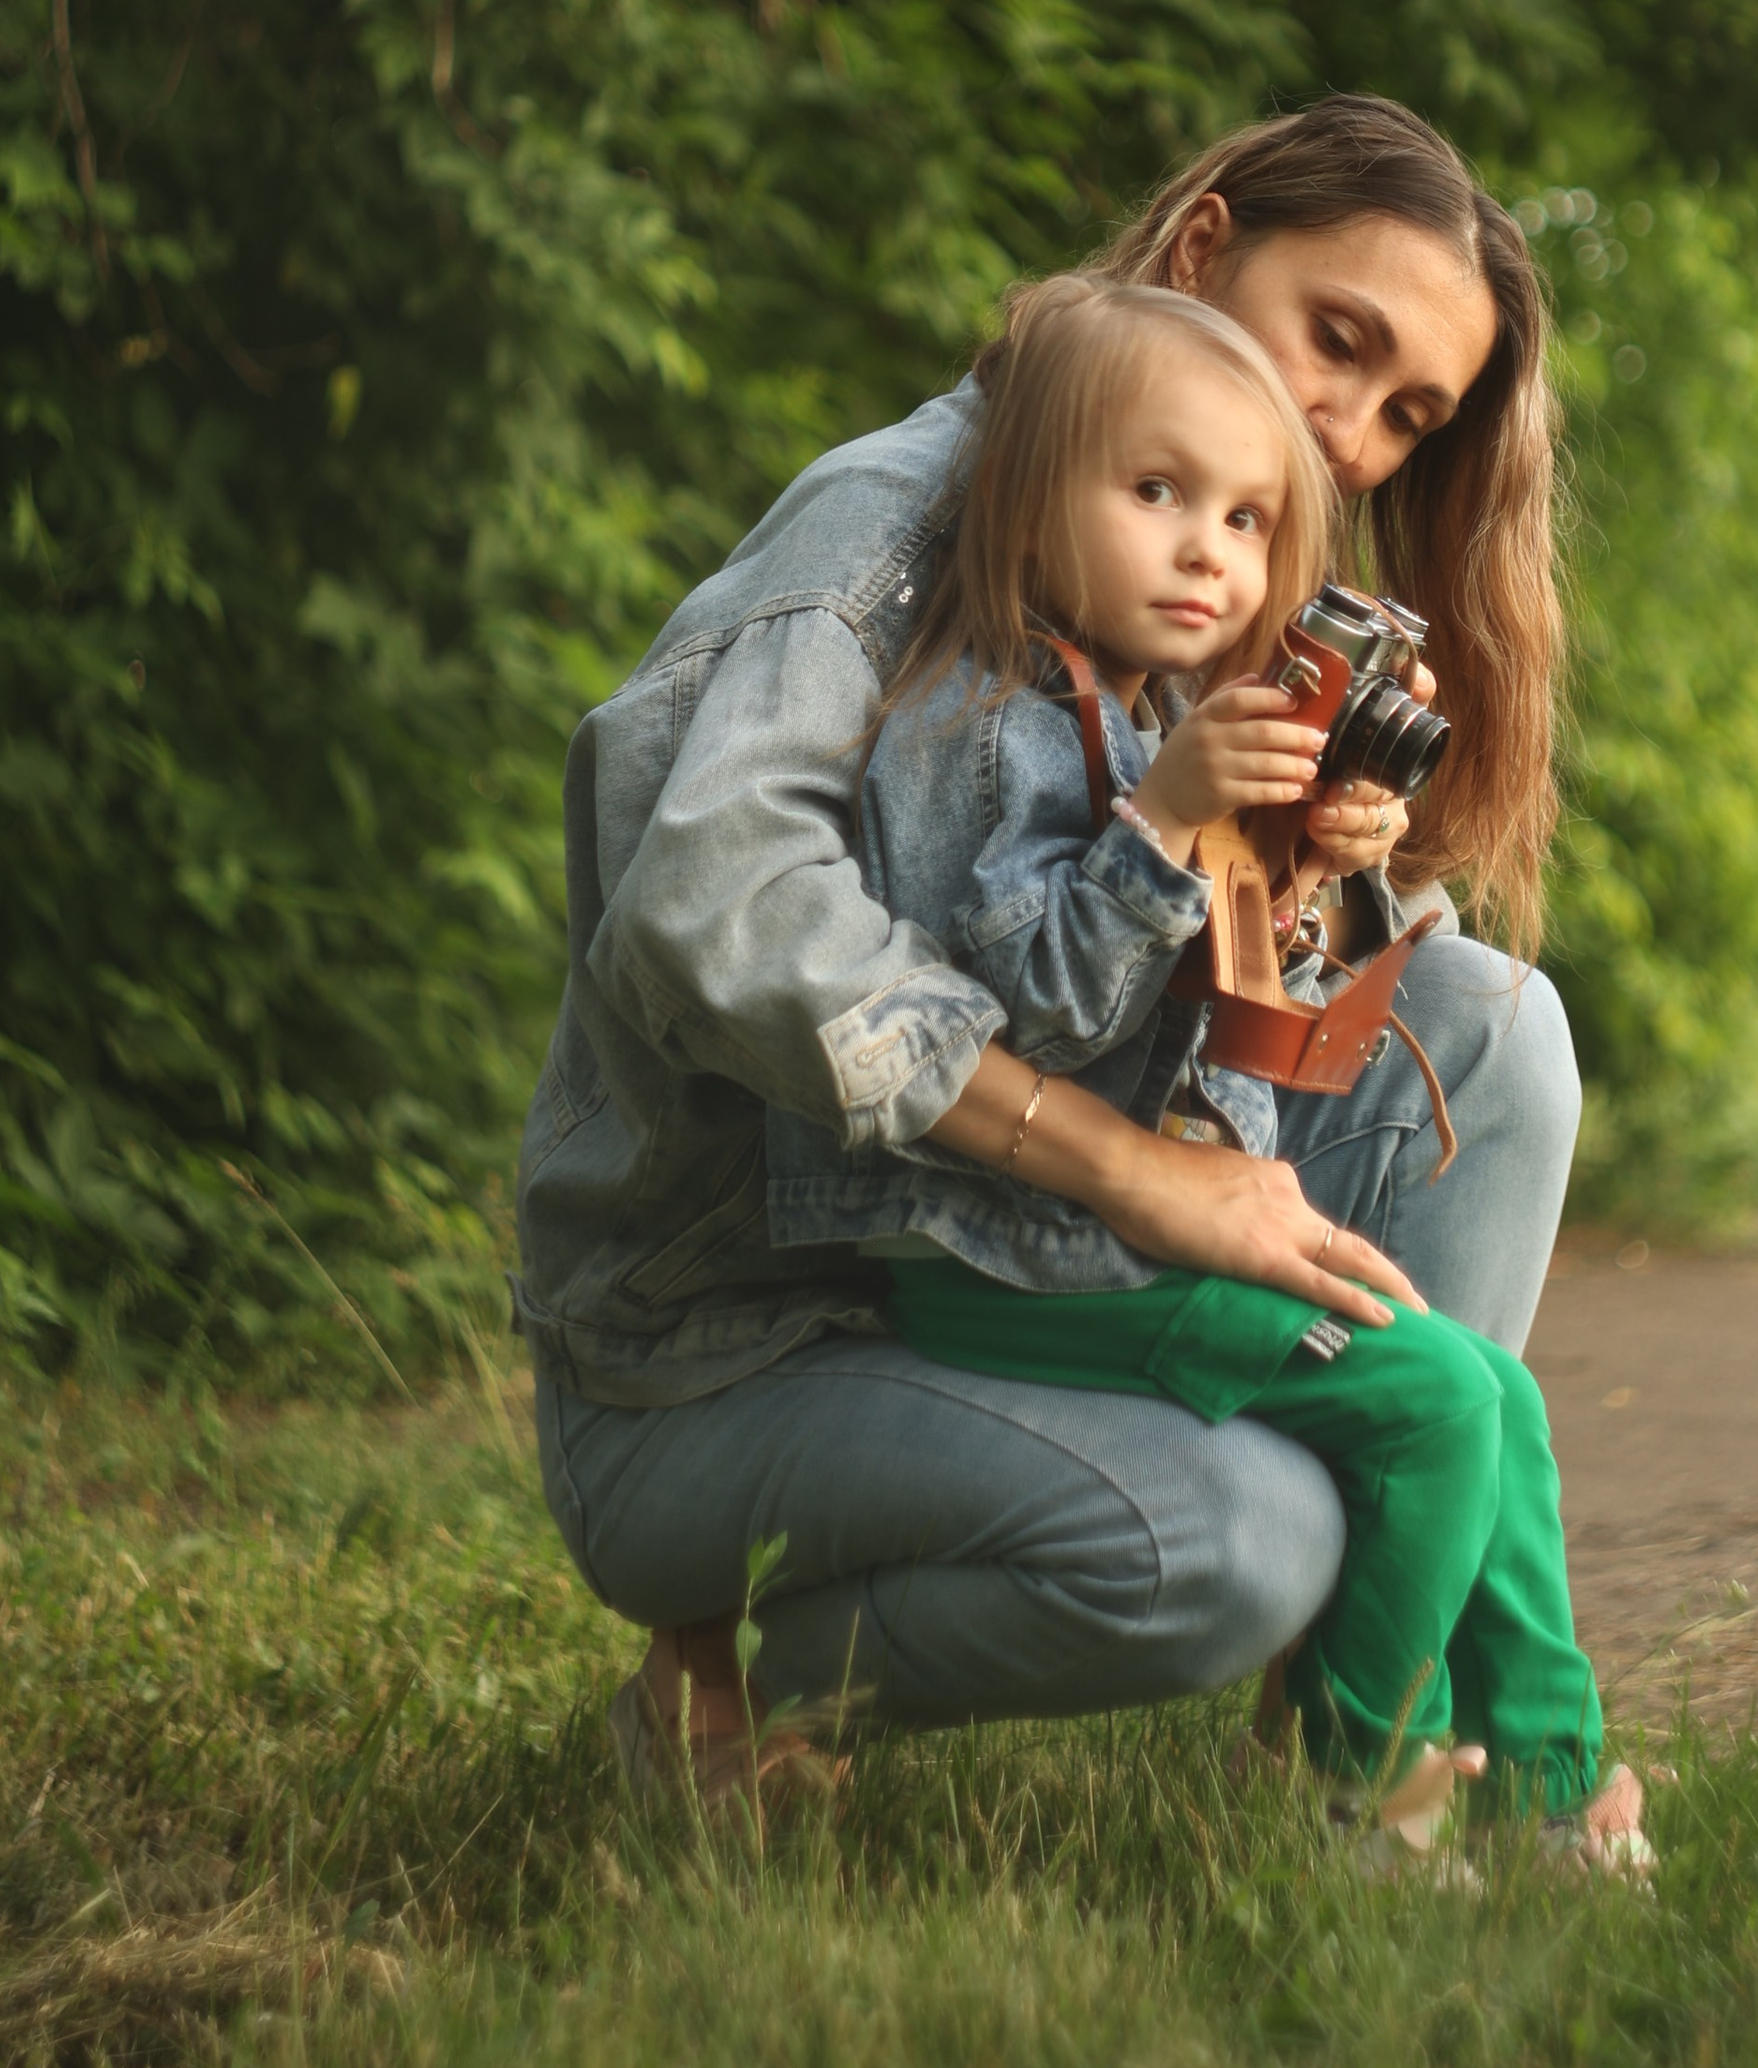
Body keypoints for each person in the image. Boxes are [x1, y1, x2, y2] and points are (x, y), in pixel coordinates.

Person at [517, 92, 1642, 1861]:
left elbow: (1159, 963)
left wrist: (1302, 880)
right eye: (1335, 346)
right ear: (1202, 249)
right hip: (747, 1334)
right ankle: (735, 1676)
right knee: (1247, 1541)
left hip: (983, 1244)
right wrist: (1134, 1174)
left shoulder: (1190, 576)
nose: (1350, 436)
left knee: (1492, 1030)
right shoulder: (896, 530)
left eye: (1404, 417)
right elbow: (714, 909)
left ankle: (1368, 1682)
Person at [845, 272, 1621, 1867]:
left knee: (1499, 1396)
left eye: (1253, 523)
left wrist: (1317, 864)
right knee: (1424, 1411)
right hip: (1005, 1251)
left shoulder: (1147, 717)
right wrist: (1163, 827)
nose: (1211, 549)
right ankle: (1371, 1803)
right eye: (1156, 494)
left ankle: (1551, 1793)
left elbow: (1257, 1018)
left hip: (1143, 1232)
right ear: (1025, 504)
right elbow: (1019, 1017)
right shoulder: (976, 723)